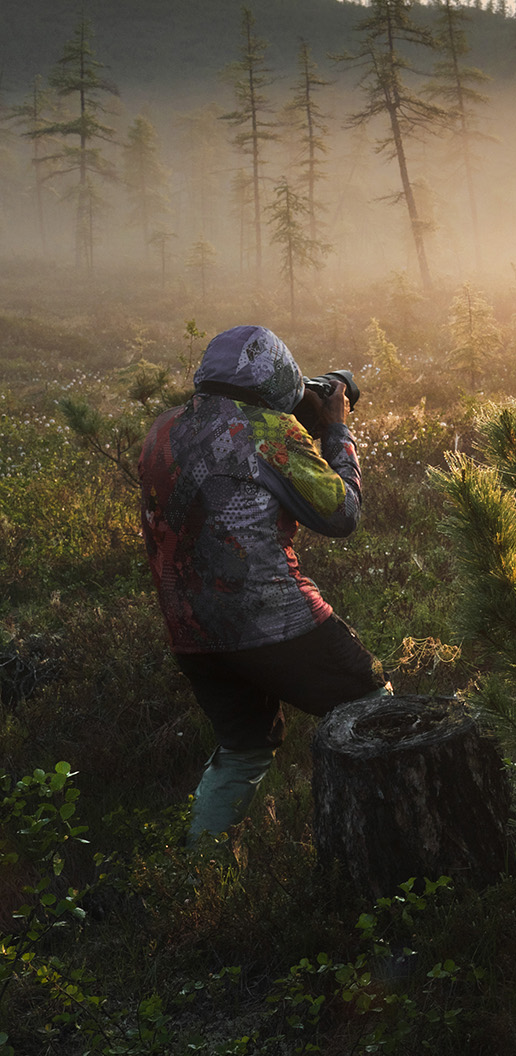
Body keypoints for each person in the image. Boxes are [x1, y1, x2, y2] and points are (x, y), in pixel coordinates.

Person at [138, 325, 390, 844]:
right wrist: (335, 431)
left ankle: (194, 881)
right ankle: (389, 849)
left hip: (191, 632)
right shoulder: (267, 433)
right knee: (377, 712)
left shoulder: (162, 429)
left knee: (244, 748)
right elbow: (342, 514)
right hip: (273, 619)